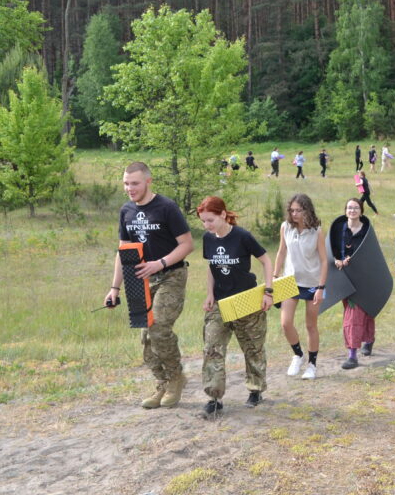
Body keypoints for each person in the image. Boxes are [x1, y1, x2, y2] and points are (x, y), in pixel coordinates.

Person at [104, 161, 193, 409]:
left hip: (171, 275)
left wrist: (160, 263)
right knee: (146, 338)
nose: (129, 188)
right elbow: (123, 251)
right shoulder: (126, 211)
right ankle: (162, 384)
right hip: (141, 280)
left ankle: (176, 378)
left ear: (148, 182)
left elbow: (187, 245)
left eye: (135, 183)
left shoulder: (166, 208)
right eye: (126, 183)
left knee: (159, 328)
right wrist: (114, 289)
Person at [196, 196, 273, 418]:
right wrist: (210, 294)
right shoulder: (208, 238)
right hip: (220, 302)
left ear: (222, 214)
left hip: (246, 301)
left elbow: (266, 261)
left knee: (252, 347)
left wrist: (268, 292)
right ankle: (214, 398)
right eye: (203, 221)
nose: (207, 226)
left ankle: (256, 390)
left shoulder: (242, 236)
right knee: (212, 347)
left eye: (210, 220)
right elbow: (212, 266)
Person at [273, 194, 328, 380]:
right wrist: (274, 277)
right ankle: (298, 355)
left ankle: (312, 365)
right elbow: (281, 252)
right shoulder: (285, 227)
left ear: (307, 210)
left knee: (310, 325)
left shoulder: (317, 231)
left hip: (312, 283)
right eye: (292, 210)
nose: (294, 214)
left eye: (298, 210)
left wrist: (321, 287)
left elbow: (323, 260)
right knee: (285, 323)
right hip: (290, 281)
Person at [330, 199, 377, 369]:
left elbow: (371, 252)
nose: (352, 210)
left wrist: (356, 259)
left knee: (356, 314)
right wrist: (336, 260)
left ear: (361, 211)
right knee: (357, 312)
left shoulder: (366, 230)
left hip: (363, 277)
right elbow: (332, 249)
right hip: (343, 276)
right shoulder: (338, 228)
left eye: (356, 208)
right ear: (345, 210)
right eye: (349, 207)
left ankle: (352, 354)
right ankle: (369, 339)